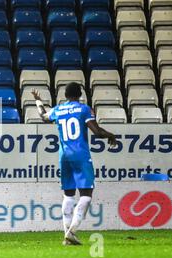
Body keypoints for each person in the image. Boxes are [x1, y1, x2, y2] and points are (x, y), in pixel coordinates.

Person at [31, 82, 117, 245]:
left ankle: (68, 236)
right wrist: (111, 135)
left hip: (64, 155)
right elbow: (97, 132)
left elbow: (43, 117)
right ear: (80, 94)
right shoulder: (84, 109)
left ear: (65, 95)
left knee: (68, 194)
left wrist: (38, 101)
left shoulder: (58, 109)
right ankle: (72, 231)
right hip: (80, 155)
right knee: (86, 193)